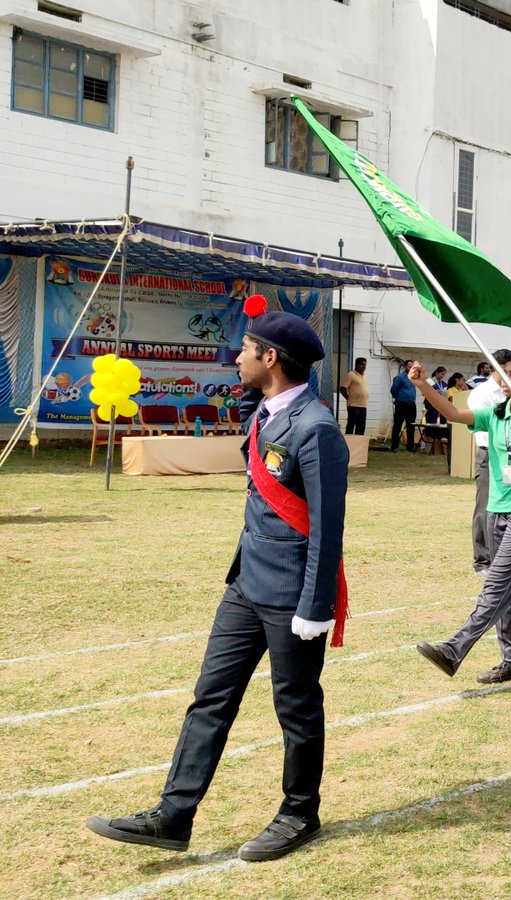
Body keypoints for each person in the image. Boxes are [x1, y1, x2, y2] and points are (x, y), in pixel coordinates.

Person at [88, 299, 347, 862]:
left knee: (296, 707)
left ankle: (300, 813)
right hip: (246, 584)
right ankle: (174, 815)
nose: (237, 358)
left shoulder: (317, 429)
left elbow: (328, 528)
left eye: (247, 350)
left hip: (292, 595)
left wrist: (315, 606)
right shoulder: (264, 413)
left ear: (270, 357)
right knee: (210, 698)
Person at [412, 354, 511, 683]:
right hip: (498, 507)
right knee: (507, 588)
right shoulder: (494, 416)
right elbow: (452, 412)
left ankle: (454, 649)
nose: (505, 379)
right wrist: (422, 384)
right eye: (503, 373)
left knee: (496, 583)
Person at [468, 358, 511, 574]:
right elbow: (483, 426)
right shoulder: (482, 393)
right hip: (490, 452)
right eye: (510, 371)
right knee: (485, 506)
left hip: (510, 455)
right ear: (500, 369)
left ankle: (501, 556)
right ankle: (482, 560)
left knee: (507, 506)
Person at [390, 359, 418, 451]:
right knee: (398, 425)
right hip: (401, 403)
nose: (411, 368)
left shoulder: (414, 377)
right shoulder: (400, 378)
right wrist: (400, 397)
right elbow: (393, 390)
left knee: (411, 426)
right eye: (409, 366)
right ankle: (394, 445)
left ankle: (410, 446)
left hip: (411, 404)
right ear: (405, 367)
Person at [339, 357, 368, 435]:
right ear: (356, 365)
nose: (364, 367)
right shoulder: (351, 375)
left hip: (363, 405)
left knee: (361, 426)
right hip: (353, 405)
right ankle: (349, 443)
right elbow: (343, 389)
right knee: (351, 425)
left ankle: (359, 444)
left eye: (365, 365)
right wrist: (349, 398)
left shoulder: (365, 376)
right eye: (362, 364)